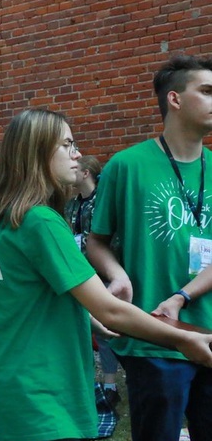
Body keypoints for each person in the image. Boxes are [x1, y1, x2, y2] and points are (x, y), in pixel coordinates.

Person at [0, 107, 212, 441]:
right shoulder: (39, 221)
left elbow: (29, 300)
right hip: (41, 402)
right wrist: (184, 338)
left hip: (32, 396)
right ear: (38, 152)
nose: (77, 154)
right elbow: (112, 310)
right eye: (67, 144)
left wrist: (90, 319)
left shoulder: (11, 218)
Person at [86, 55, 212, 441]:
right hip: (153, 336)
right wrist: (117, 275)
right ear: (174, 99)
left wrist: (184, 295)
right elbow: (95, 240)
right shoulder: (126, 165)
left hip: (208, 330)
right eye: (207, 91)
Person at [64, 156, 122, 410]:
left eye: (76, 168)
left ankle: (110, 385)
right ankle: (90, 384)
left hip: (101, 272)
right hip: (79, 271)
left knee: (107, 329)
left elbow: (112, 237)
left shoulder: (102, 201)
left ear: (86, 172)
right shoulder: (72, 204)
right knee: (84, 326)